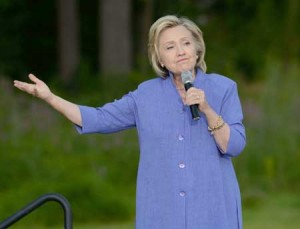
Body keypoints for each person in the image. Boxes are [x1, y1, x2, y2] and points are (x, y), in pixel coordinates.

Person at [14, 15, 246, 229]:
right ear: (160, 59)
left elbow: (234, 146)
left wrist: (207, 109)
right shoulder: (145, 96)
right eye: (169, 47)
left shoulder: (224, 88)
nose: (180, 51)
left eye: (185, 43)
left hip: (212, 213)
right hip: (161, 215)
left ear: (197, 50)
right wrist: (50, 97)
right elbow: (98, 118)